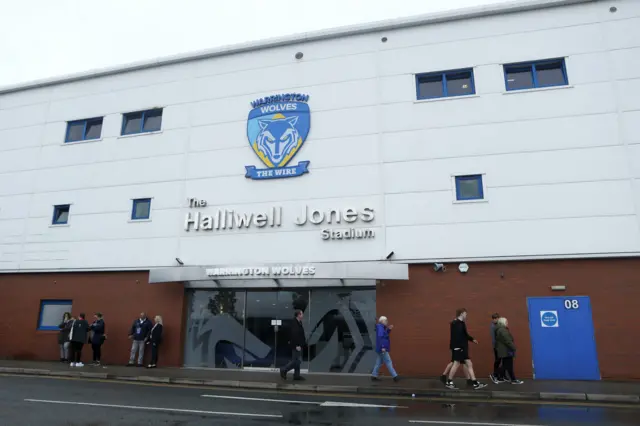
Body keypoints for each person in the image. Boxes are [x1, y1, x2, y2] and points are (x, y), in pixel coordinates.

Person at [445, 308, 487, 390]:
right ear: (461, 314)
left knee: (469, 364)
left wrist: (472, 339)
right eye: (465, 314)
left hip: (462, 347)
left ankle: (474, 382)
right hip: (459, 347)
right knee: (456, 364)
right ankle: (449, 381)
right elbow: (456, 336)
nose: (466, 315)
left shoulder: (461, 323)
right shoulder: (456, 323)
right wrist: (458, 347)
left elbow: (465, 334)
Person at [495, 317, 523, 384]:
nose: (507, 323)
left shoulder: (500, 329)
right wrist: (514, 348)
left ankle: (512, 379)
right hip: (506, 350)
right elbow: (508, 341)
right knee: (507, 365)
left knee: (508, 366)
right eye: (506, 322)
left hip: (505, 350)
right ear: (503, 322)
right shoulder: (502, 330)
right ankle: (495, 374)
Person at [371, 316, 399, 382]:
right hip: (382, 348)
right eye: (386, 320)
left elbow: (384, 335)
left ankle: (374, 375)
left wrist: (389, 329)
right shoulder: (380, 328)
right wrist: (383, 347)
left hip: (380, 348)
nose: (387, 322)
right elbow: (381, 338)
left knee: (379, 362)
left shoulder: (381, 327)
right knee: (388, 361)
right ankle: (395, 376)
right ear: (382, 321)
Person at [279, 309, 306, 381]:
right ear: (298, 315)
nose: (303, 315)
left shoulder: (299, 322)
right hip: (296, 345)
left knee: (296, 360)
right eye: (302, 314)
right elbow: (294, 335)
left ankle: (296, 376)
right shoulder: (294, 323)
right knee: (296, 361)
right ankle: (284, 369)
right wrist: (296, 346)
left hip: (298, 345)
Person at [489, 313, 505, 384]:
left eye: (497, 318)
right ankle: (494, 375)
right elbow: (493, 338)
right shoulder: (493, 326)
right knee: (498, 360)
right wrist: (496, 347)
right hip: (497, 347)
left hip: (499, 346)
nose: (496, 320)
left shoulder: (498, 325)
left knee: (500, 360)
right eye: (495, 319)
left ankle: (499, 375)